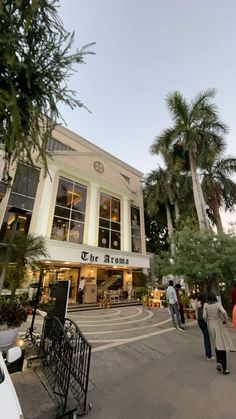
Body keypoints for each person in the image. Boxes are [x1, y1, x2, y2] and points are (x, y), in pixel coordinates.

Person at [203, 292, 235, 375]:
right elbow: (224, 312)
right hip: (218, 324)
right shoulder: (218, 304)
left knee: (216, 345)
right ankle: (224, 369)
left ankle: (218, 363)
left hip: (210, 325)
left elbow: (204, 316)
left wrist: (207, 321)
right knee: (222, 346)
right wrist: (225, 319)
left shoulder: (205, 305)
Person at [195, 294, 214, 360]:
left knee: (206, 337)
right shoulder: (206, 304)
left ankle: (208, 354)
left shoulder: (197, 303)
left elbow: (196, 312)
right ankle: (209, 355)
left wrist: (197, 319)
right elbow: (207, 314)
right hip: (205, 321)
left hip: (199, 321)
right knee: (207, 338)